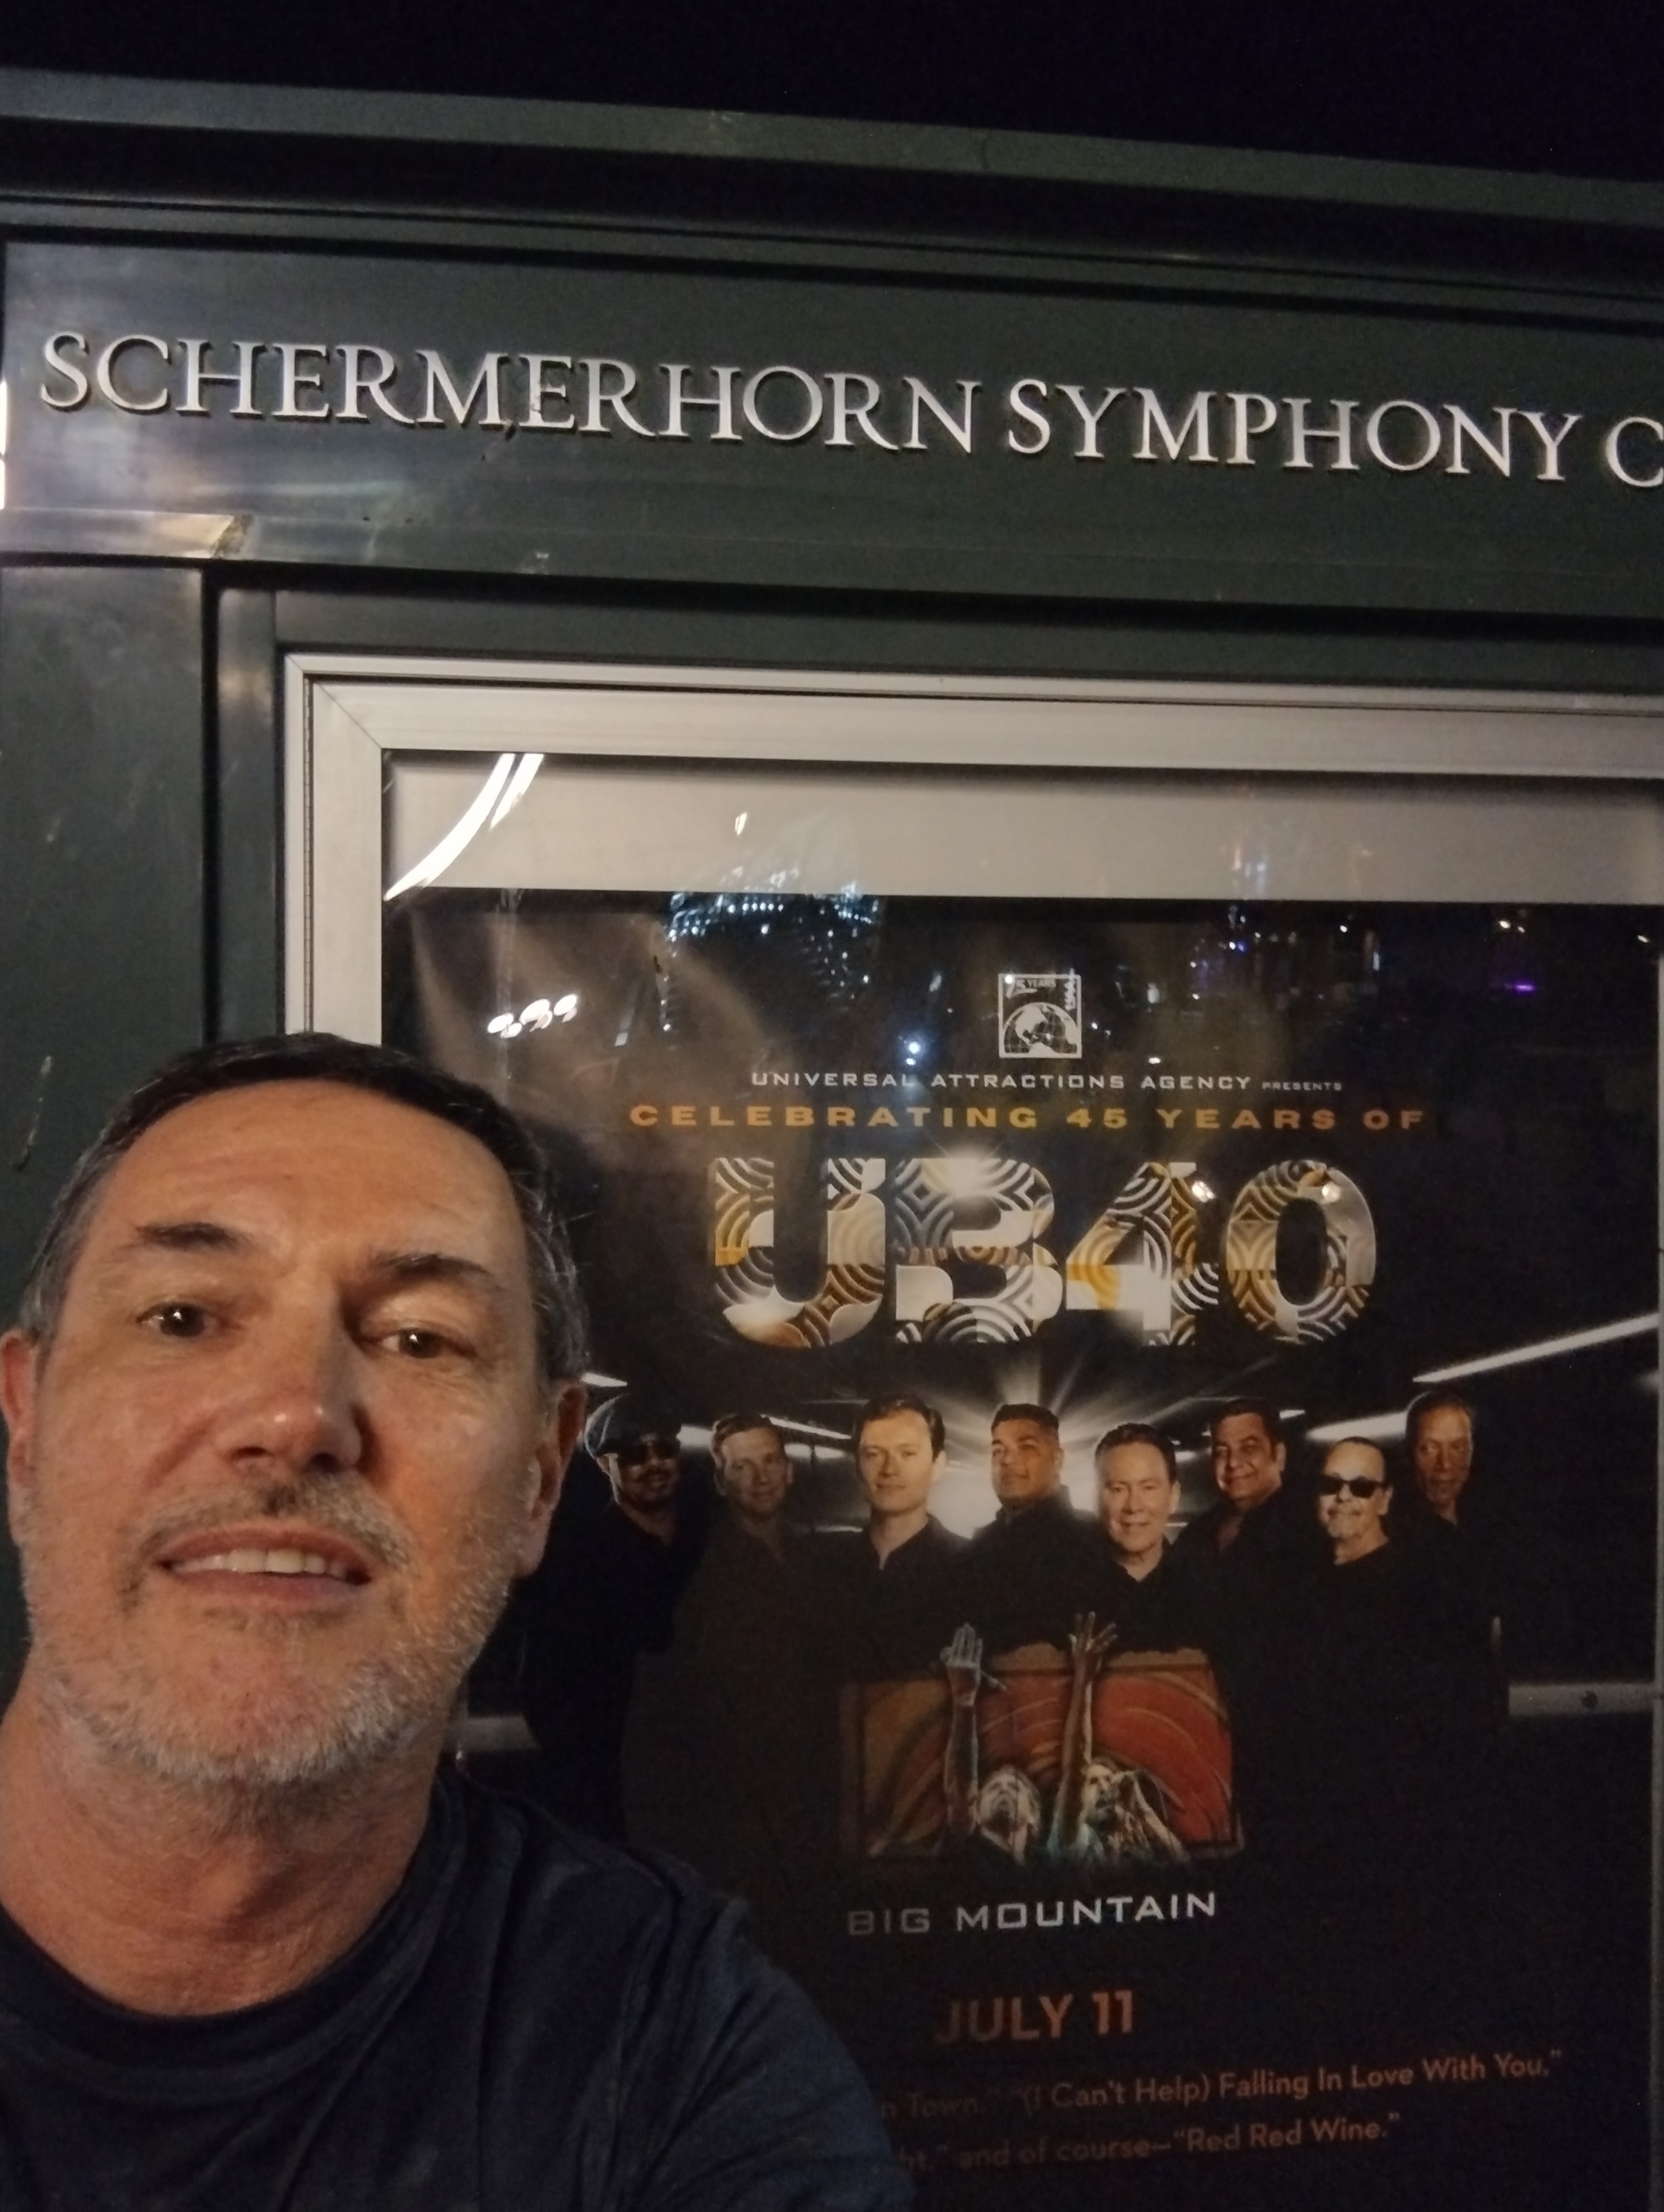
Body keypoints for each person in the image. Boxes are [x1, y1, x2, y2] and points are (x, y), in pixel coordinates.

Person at [0, 1034, 906, 2212]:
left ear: (540, 1477)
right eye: (182, 1317)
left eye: (420, 1339)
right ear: (25, 1423)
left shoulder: (674, 2047)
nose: (296, 1415)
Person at [622, 1415, 818, 1915]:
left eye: (770, 1461)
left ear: (789, 1469)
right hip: (733, 1809)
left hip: (807, 1795)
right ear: (721, 1480)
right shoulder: (698, 1568)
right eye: (742, 1466)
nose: (760, 1477)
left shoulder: (816, 1558)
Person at [518, 1390, 705, 1836]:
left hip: (711, 1768)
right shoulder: (580, 1566)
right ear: (605, 1465)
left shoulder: (706, 1544)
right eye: (634, 1454)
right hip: (622, 1780)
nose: (654, 1463)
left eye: (664, 1448)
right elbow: (545, 1693)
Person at [818, 1394, 967, 1679]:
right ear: (857, 1466)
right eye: (873, 1454)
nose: (889, 1469)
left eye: (907, 1453)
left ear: (938, 1465)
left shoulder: (971, 1570)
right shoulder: (822, 1570)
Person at [958, 1403, 1100, 1653]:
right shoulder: (978, 1548)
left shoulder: (1095, 1540)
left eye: (1026, 1448)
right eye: (998, 1450)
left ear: (1057, 1459)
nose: (1007, 1460)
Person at [1090, 1421, 1211, 1652]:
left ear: (1174, 1496)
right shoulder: (1061, 1592)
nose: (1133, 1506)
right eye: (1118, 1489)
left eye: (1148, 1488)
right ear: (1095, 1498)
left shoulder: (1210, 1591)